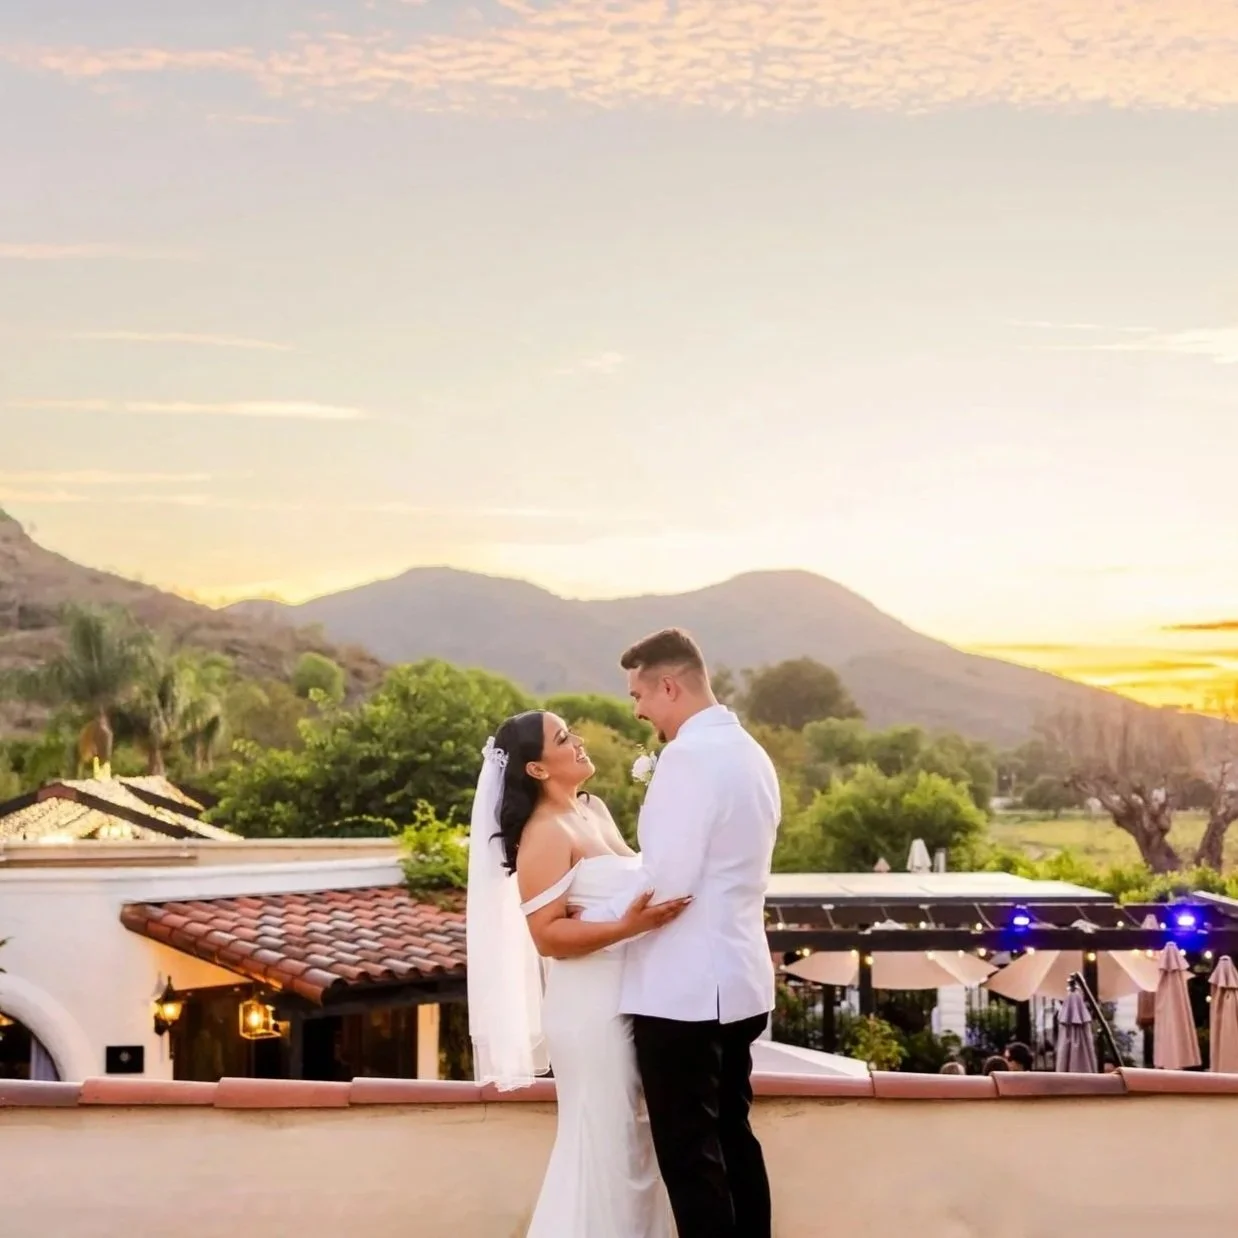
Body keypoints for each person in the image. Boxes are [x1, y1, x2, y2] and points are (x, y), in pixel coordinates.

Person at [584, 627, 782, 1238]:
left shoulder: (690, 759)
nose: (638, 709)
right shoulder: (751, 752)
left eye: (638, 695)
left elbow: (665, 885)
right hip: (742, 980)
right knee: (733, 1140)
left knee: (690, 1158)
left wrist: (585, 909)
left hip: (685, 993)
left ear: (668, 684)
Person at [465, 708, 688, 1238]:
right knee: (603, 1146)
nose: (579, 741)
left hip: (631, 996)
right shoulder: (543, 833)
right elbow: (547, 935)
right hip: (588, 1011)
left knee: (636, 1148)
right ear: (538, 769)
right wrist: (628, 926)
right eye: (564, 738)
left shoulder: (595, 809)